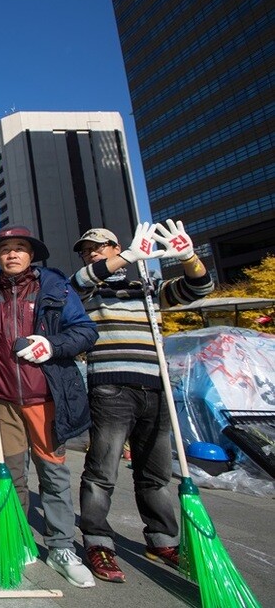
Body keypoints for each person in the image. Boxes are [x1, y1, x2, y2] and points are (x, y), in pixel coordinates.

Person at [71, 220, 214, 583]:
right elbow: (80, 282)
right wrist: (130, 257)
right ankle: (98, 540)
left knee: (156, 473)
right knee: (102, 471)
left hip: (155, 385)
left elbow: (200, 287)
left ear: (115, 247)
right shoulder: (87, 292)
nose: (91, 253)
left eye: (99, 247)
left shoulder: (147, 288)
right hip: (110, 388)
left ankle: (162, 539)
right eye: (87, 250)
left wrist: (189, 256)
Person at [0, 224, 98, 589]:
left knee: (54, 475)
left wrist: (51, 345)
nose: (12, 254)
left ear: (31, 253)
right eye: (5, 249)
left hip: (47, 398)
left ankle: (60, 547)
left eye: (20, 247)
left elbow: (86, 331)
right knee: (12, 475)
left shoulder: (55, 287)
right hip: (4, 399)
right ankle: (19, 536)